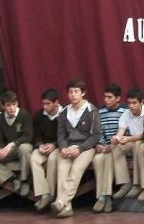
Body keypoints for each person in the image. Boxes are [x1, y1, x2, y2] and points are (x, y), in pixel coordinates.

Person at [51, 79, 101, 218]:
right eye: (70, 92)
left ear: (83, 93)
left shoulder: (91, 110)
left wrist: (81, 148)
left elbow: (95, 136)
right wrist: (63, 147)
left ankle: (60, 201)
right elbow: (61, 134)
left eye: (76, 92)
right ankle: (66, 206)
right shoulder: (64, 112)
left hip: (86, 147)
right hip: (68, 146)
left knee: (75, 170)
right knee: (62, 171)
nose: (73, 95)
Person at [0, 90, 34, 198]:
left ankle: (24, 181)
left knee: (24, 148)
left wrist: (13, 144)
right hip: (7, 150)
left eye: (14, 104)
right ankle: (12, 178)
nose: (12, 108)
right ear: (3, 106)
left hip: (20, 147)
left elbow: (28, 136)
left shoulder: (24, 115)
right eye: (8, 105)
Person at [92, 83, 127, 213]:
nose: (106, 100)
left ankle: (103, 196)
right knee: (98, 159)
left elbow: (126, 133)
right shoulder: (100, 112)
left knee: (106, 158)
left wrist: (113, 145)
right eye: (105, 97)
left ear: (118, 98)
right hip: (105, 147)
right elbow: (99, 132)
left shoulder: (125, 111)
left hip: (119, 148)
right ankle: (107, 198)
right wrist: (101, 145)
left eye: (109, 97)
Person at [111, 87, 144, 200]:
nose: (131, 106)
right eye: (129, 103)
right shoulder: (126, 114)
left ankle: (138, 185)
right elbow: (120, 132)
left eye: (134, 103)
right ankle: (125, 184)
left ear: (142, 102)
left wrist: (128, 139)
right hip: (134, 142)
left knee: (139, 145)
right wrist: (116, 139)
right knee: (116, 147)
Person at [31, 88, 62, 212]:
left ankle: (50, 194)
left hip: (58, 147)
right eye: (43, 103)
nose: (45, 107)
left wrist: (55, 145)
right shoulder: (39, 115)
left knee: (53, 160)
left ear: (56, 103)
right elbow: (36, 134)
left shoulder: (64, 114)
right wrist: (39, 145)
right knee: (34, 158)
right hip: (44, 146)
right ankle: (44, 194)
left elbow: (66, 135)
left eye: (48, 104)